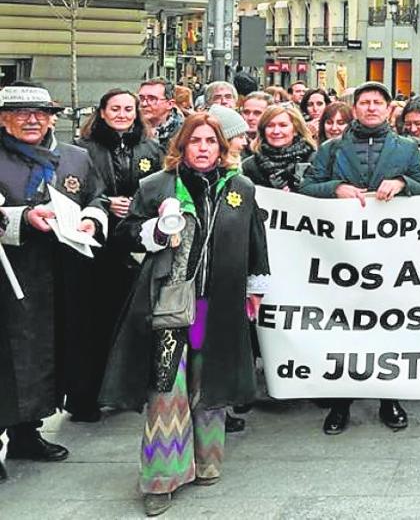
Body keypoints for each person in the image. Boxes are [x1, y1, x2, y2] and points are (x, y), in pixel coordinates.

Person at [99, 113, 270, 516]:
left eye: (211, 141)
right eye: (196, 141)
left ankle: (207, 460)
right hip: (171, 304)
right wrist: (157, 231)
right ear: (182, 146)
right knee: (166, 388)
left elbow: (255, 239)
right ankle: (162, 477)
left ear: (222, 147)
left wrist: (255, 288)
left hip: (214, 307)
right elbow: (124, 234)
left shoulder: (240, 187)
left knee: (206, 379)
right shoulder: (157, 185)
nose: (204, 148)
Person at [300, 82, 420, 435]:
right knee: (345, 328)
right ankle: (341, 403)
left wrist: (402, 183)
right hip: (340, 256)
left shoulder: (406, 149)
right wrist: (335, 189)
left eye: (377, 103)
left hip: (389, 258)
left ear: (389, 110)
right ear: (354, 108)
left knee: (388, 325)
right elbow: (306, 189)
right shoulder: (330, 149)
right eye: (364, 103)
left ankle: (389, 398)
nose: (371, 108)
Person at [0, 84, 108, 482]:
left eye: (41, 113)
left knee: (47, 355)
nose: (33, 120)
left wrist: (92, 220)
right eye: (23, 113)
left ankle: (27, 432)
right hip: (9, 276)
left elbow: (97, 198)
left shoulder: (74, 157)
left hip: (62, 274)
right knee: (7, 361)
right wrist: (20, 219)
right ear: (3, 118)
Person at [65, 90, 164, 422]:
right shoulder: (83, 150)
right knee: (92, 321)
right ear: (102, 113)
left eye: (128, 108)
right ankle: (85, 395)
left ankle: (126, 389)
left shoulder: (151, 148)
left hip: (137, 242)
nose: (122, 114)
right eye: (115, 108)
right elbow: (75, 191)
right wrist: (106, 204)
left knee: (134, 319)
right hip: (96, 246)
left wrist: (136, 204)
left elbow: (161, 188)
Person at [241, 105, 317, 191]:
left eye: (283, 125)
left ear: (295, 130)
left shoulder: (314, 160)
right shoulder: (250, 166)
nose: (276, 131)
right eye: (270, 126)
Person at [139, 79, 183, 150]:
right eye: (141, 98)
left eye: (152, 99)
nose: (144, 104)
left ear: (170, 104)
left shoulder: (183, 134)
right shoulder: (130, 131)